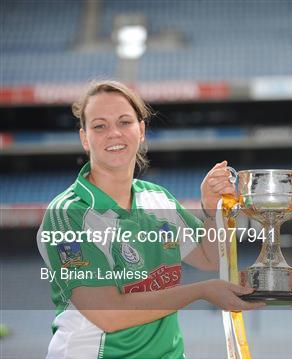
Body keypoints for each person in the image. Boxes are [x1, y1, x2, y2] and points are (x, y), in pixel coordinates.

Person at [36, 80, 262, 359]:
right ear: (85, 138)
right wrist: (201, 291)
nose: (114, 133)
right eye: (99, 126)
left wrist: (212, 210)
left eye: (124, 122)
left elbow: (209, 258)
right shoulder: (67, 214)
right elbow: (108, 315)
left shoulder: (158, 199)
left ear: (141, 130)